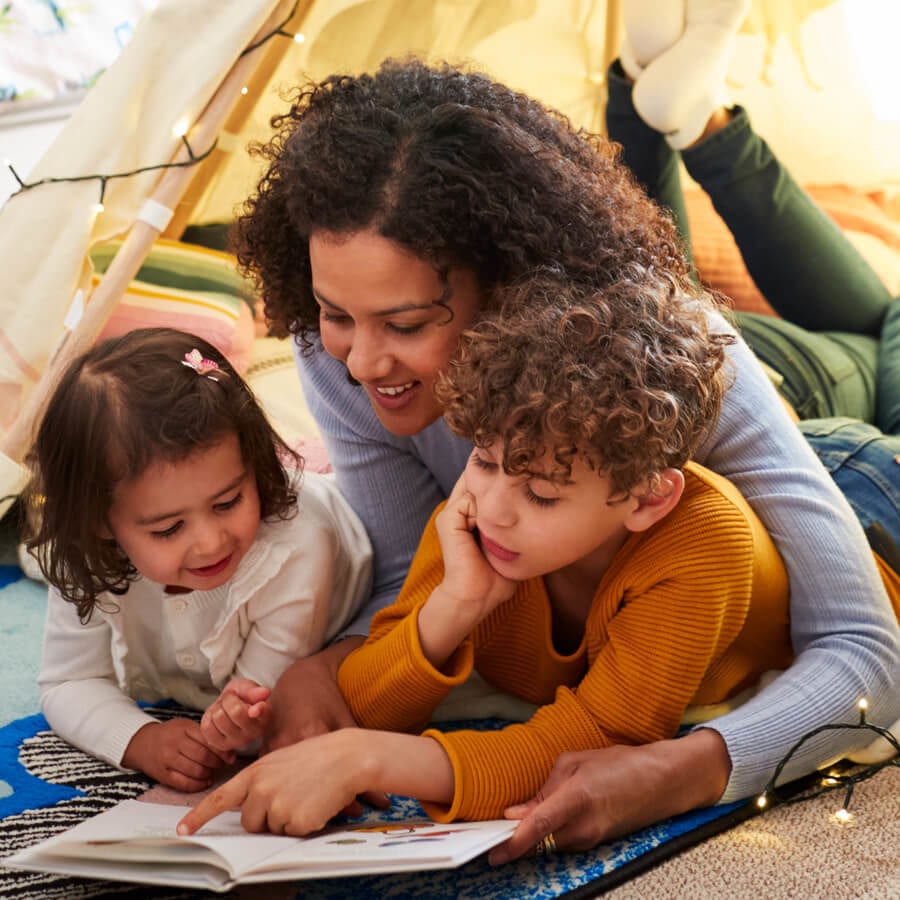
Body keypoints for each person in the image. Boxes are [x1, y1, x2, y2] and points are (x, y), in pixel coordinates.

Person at [226, 53, 898, 849]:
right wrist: (327, 667)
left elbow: (866, 654)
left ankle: (703, 126)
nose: (362, 363)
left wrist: (680, 770)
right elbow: (419, 577)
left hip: (850, 467)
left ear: (513, 285)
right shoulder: (334, 353)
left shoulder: (682, 351)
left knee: (882, 328)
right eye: (336, 314)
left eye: (406, 325)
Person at [178, 270, 803, 835]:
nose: (492, 505)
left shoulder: (699, 541)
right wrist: (454, 604)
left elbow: (603, 738)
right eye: (482, 459)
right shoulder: (475, 514)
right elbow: (364, 702)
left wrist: (370, 759)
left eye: (540, 494)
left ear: (645, 499)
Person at [24, 328, 372, 792]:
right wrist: (140, 738)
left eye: (228, 502)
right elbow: (67, 682)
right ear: (99, 522)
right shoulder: (81, 552)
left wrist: (240, 721)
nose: (210, 543)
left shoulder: (298, 548)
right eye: (168, 529)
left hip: (342, 534)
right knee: (41, 554)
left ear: (253, 466)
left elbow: (263, 711)